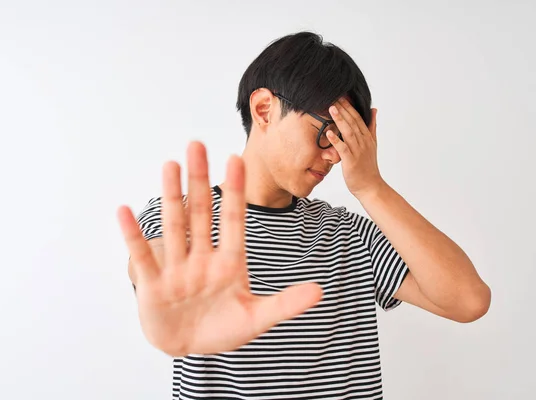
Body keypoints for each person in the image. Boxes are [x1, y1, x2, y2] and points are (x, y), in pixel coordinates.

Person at [117, 31, 491, 400]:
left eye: (347, 142)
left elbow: (467, 300)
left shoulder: (350, 234)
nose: (335, 155)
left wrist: (371, 187)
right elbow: (156, 266)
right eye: (327, 133)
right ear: (264, 109)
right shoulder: (185, 217)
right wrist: (167, 295)